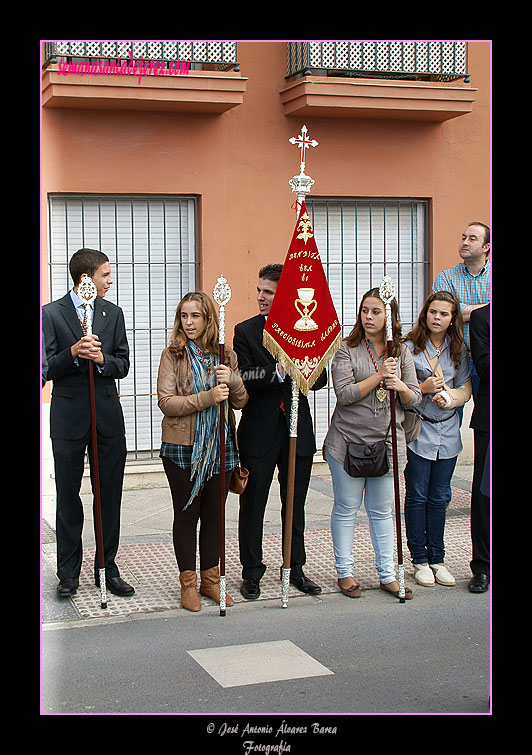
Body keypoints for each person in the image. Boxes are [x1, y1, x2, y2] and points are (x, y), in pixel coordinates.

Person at [42, 248, 134, 599]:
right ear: (86, 279)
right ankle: (69, 573)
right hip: (68, 419)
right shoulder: (51, 314)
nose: (110, 281)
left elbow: (123, 363)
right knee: (69, 498)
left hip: (107, 418)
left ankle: (107, 568)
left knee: (108, 497)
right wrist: (73, 353)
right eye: (105, 275)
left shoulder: (113, 314)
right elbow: (47, 367)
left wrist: (102, 359)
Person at [233, 264, 327, 600]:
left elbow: (321, 380)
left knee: (294, 505)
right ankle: (252, 572)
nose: (260, 297)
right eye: (259, 290)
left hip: (297, 431)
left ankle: (295, 568)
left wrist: (302, 361)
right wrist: (277, 369)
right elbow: (244, 377)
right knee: (253, 504)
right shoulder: (245, 331)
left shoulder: (306, 330)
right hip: (259, 432)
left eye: (268, 292)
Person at [323, 288, 421, 599]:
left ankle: (388, 574)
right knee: (347, 508)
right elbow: (346, 394)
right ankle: (345, 572)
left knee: (382, 511)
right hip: (347, 443)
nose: (368, 317)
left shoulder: (401, 353)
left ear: (390, 316)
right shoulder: (346, 349)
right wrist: (379, 376)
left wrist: (400, 385)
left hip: (388, 443)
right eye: (365, 310)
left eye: (376, 311)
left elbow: (415, 398)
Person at [157, 292, 248, 611]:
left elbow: (240, 401)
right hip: (182, 448)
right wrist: (207, 397)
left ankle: (211, 581)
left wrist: (232, 380)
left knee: (214, 517)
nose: (188, 322)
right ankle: (188, 585)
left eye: (195, 316)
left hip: (221, 447)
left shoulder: (227, 355)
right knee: (186, 516)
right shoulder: (173, 355)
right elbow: (166, 402)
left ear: (209, 319)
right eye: (184, 316)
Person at [403, 291, 472, 587]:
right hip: (420, 430)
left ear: (452, 319)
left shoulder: (459, 350)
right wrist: (424, 386)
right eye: (433, 312)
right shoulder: (409, 347)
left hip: (448, 432)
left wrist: (450, 396)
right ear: (425, 314)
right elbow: (401, 391)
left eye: (444, 314)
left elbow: (466, 388)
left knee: (440, 496)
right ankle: (419, 559)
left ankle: (437, 558)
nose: (437, 318)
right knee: (417, 495)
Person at [432, 222, 490, 399]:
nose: (465, 242)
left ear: (486, 247)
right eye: (463, 237)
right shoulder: (445, 277)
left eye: (472, 239)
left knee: (487, 420)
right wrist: (486, 309)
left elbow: (456, 313)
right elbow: (446, 314)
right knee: (448, 413)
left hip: (488, 358)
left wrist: (461, 309)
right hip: (454, 358)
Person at [468, 303, 490, 593]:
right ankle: (482, 567)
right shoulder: (481, 318)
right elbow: (483, 365)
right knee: (484, 494)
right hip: (490, 418)